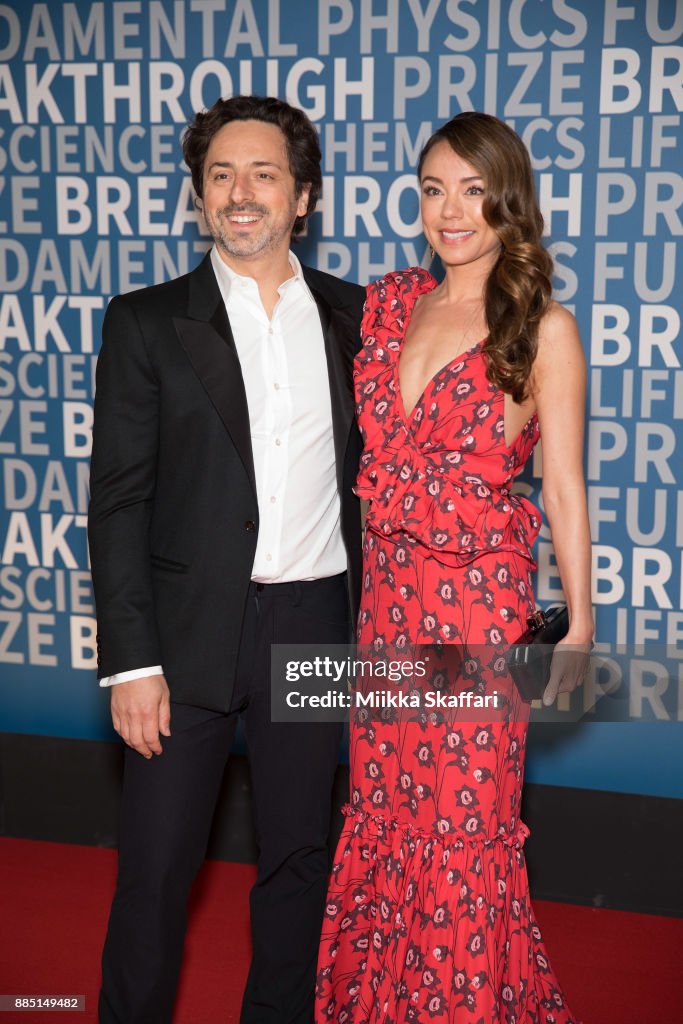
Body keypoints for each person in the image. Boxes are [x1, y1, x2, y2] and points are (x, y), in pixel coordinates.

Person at [88, 94, 364, 1024]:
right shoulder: (146, 321)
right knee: (157, 869)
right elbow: (119, 499)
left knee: (298, 860)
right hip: (185, 630)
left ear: (304, 197)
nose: (240, 194)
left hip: (316, 619)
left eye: (263, 174)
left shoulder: (357, 319)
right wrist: (131, 660)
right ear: (199, 196)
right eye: (220, 175)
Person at [315, 112, 593, 1023]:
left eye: (472, 190)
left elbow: (561, 488)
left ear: (506, 200)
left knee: (462, 826)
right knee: (387, 814)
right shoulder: (390, 303)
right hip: (388, 607)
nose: (450, 211)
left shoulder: (542, 327)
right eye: (433, 189)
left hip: (478, 611)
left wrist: (580, 626)